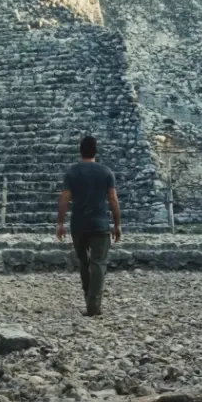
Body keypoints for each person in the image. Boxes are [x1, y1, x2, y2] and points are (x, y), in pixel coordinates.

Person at [56, 135, 121, 316]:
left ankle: (88, 298)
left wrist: (60, 223)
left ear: (80, 151)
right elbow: (113, 200)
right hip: (100, 225)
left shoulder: (72, 172)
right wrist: (117, 225)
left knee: (84, 263)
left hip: (79, 225)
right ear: (96, 151)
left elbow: (64, 199)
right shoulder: (106, 172)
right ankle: (94, 305)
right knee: (99, 264)